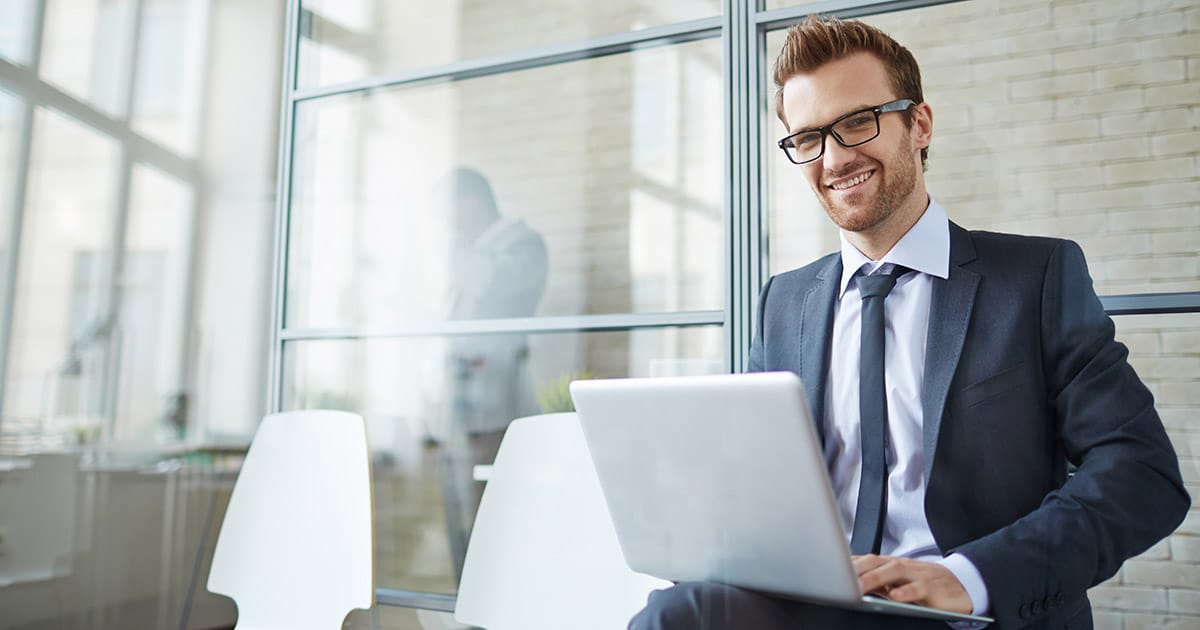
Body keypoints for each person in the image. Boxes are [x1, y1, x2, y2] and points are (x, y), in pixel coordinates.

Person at [630, 15, 1189, 630]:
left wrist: (966, 578)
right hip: (818, 604)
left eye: (856, 123)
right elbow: (753, 481)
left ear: (919, 125)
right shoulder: (784, 301)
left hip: (966, 614)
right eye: (808, 138)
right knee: (675, 613)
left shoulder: (1036, 279)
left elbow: (1142, 474)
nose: (835, 158)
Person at [433, 167, 549, 577]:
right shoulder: (470, 250)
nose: (443, 219)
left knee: (496, 511)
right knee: (460, 515)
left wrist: (454, 250)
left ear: (472, 201)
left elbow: (489, 283)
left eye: (446, 207)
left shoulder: (524, 245)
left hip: (496, 409)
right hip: (458, 408)